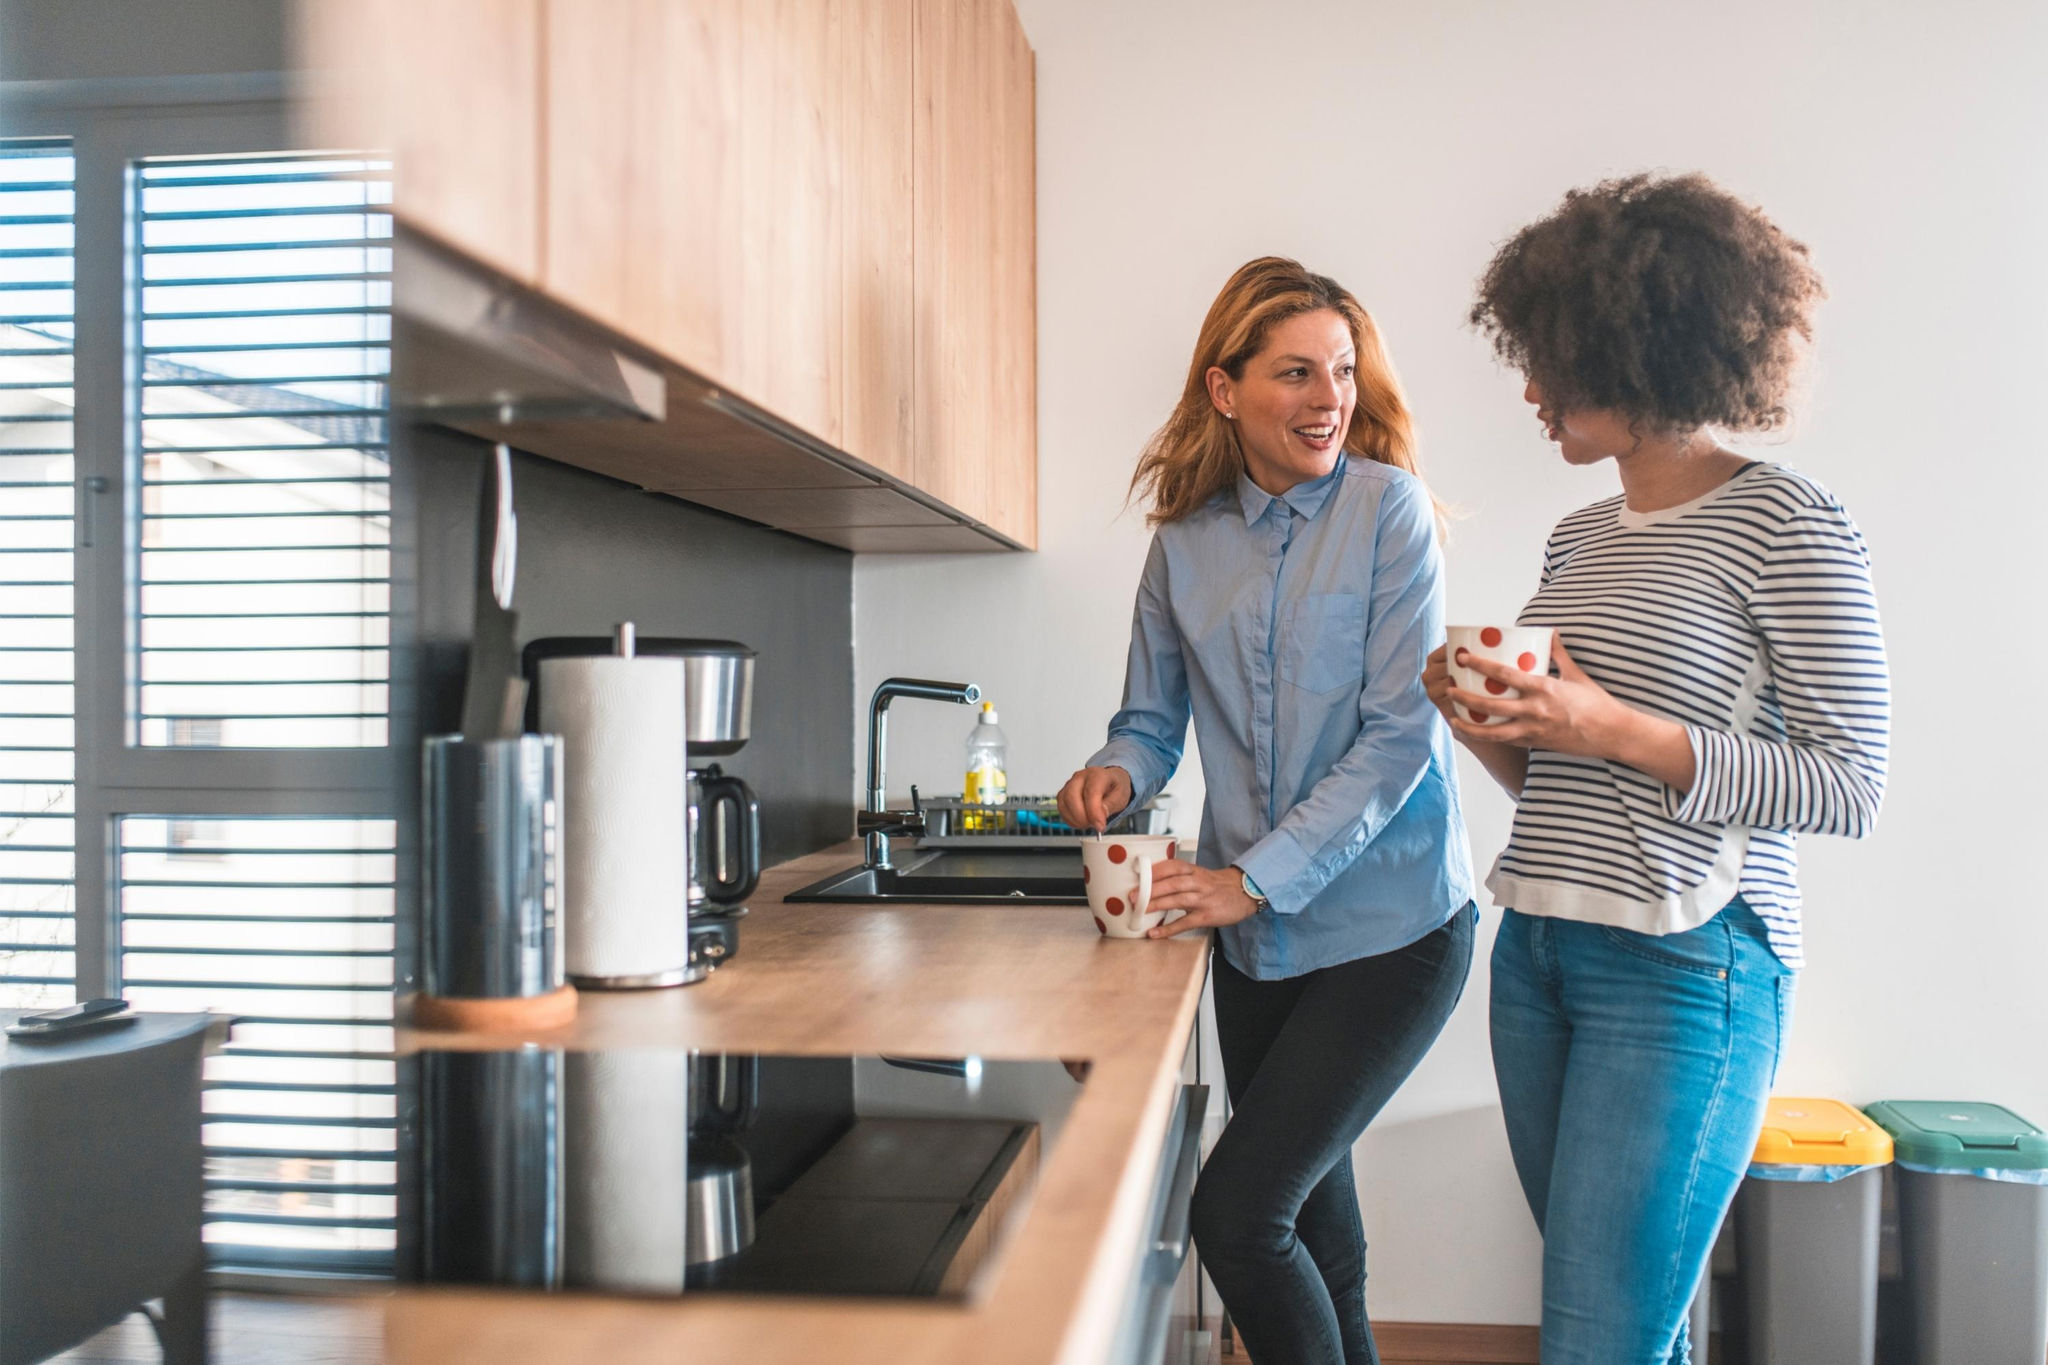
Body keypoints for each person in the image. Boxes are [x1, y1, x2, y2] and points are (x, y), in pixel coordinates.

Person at [1429, 173, 1891, 1364]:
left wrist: (1608, 726)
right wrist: (1486, 724)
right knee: (1625, 1328)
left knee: (1598, 1340)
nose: (1528, 389)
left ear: (1633, 349)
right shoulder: (1577, 537)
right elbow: (1568, 781)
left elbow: (1847, 782)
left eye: (1549, 361)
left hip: (1689, 963)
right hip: (1538, 946)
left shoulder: (1787, 522)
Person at [1057, 256, 1475, 1365]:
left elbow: (1400, 738)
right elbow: (1149, 721)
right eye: (1295, 372)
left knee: (1238, 1216)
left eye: (1341, 370)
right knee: (1317, 1242)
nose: (1329, 397)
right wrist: (1114, 772)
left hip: (1393, 932)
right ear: (1224, 388)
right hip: (1256, 950)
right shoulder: (1182, 543)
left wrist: (1252, 878)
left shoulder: (1388, 513)